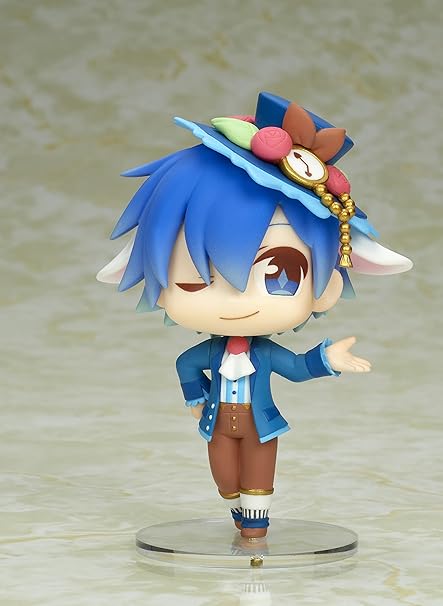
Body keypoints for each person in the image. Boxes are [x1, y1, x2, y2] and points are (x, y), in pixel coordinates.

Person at [97, 92, 412, 538]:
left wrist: (328, 359)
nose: (235, 299)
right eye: (195, 277)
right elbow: (185, 364)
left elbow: (297, 368)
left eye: (281, 274)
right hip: (217, 426)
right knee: (226, 481)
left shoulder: (265, 354)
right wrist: (195, 400)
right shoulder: (208, 353)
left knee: (259, 482)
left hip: (262, 428)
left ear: (326, 288)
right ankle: (235, 510)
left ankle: (254, 532)